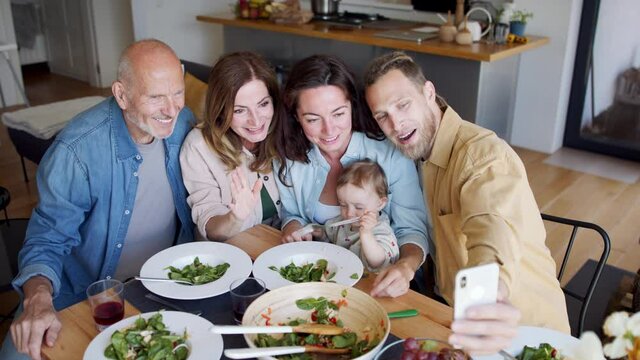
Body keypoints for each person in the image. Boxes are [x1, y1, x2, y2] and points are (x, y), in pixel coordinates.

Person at [363, 51, 570, 354]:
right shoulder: (416, 154)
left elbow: (491, 231)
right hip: (458, 322)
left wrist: (492, 291)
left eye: (403, 104)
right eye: (382, 115)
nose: (396, 123)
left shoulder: (483, 157)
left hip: (525, 333)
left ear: (428, 92)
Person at [3, 39, 195, 360]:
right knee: (16, 354)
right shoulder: (76, 151)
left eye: (177, 93)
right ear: (121, 94)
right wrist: (37, 302)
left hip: (164, 286)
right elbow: (46, 240)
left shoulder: (185, 123)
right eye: (156, 97)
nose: (171, 109)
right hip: (86, 295)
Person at [274, 54, 429, 298]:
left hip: (377, 284)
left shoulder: (389, 154)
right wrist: (293, 231)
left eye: (338, 114)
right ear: (296, 117)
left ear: (352, 106)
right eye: (313, 119)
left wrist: (406, 266)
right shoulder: (290, 157)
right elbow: (292, 215)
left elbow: (412, 230)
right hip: (317, 280)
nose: (329, 130)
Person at [180, 52, 283, 241]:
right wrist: (235, 217)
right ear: (221, 110)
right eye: (239, 110)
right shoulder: (199, 146)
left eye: (263, 104)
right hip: (231, 257)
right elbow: (211, 229)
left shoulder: (284, 131)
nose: (256, 120)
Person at [320, 159, 399, 271]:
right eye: (343, 205)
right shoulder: (341, 223)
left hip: (368, 284)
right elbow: (329, 235)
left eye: (359, 207)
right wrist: (320, 233)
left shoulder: (381, 229)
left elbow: (378, 262)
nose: (349, 213)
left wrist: (366, 234)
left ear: (380, 203)